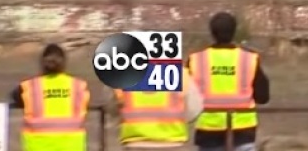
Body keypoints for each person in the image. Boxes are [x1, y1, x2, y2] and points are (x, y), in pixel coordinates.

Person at [187, 12, 270, 151]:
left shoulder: (196, 59)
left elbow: (185, 97)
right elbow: (263, 97)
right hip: (243, 130)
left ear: (212, 32)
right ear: (234, 31)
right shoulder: (249, 58)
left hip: (208, 130)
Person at [8, 44, 90, 151]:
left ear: (43, 63)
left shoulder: (30, 87)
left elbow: (15, 98)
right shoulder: (78, 86)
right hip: (72, 147)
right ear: (63, 63)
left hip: (37, 147)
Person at [110, 73, 203, 150]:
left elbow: (111, 108)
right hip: (173, 143)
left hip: (135, 143)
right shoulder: (180, 74)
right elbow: (194, 108)